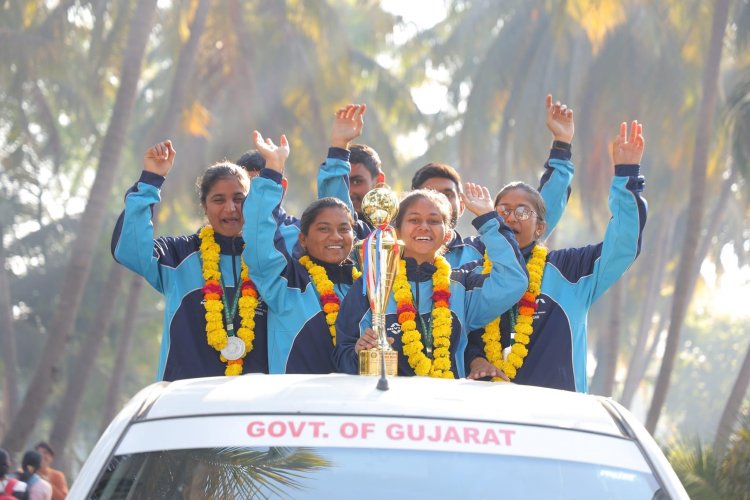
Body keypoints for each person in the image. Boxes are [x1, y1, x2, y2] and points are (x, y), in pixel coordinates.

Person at [465, 121, 647, 391]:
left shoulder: (571, 269)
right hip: (489, 418)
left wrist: (626, 176)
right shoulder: (471, 272)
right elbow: (458, 332)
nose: (511, 217)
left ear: (540, 227)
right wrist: (475, 359)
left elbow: (622, 245)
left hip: (557, 418)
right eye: (502, 210)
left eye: (523, 211)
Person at [333, 184, 528, 378]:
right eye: (414, 219)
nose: (424, 226)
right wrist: (359, 352)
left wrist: (488, 220)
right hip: (388, 406)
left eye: (434, 221)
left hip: (445, 405)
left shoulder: (461, 287)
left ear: (447, 235)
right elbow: (342, 357)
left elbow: (513, 281)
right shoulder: (372, 284)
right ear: (397, 231)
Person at [112, 140, 268, 380]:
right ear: (204, 206)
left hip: (254, 406)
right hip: (185, 405)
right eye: (218, 200)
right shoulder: (178, 255)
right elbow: (130, 249)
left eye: (239, 198)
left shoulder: (269, 259)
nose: (230, 208)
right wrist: (150, 180)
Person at [243, 131, 361, 374]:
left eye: (344, 229)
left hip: (355, 408)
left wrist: (341, 148)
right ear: (303, 240)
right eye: (323, 229)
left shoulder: (367, 288)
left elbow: (339, 204)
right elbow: (257, 235)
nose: (336, 237)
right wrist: (273, 168)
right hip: (295, 408)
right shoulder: (284, 283)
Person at [410, 94, 575, 268]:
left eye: (447, 194)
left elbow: (540, 211)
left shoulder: (489, 252)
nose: (438, 202)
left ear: (462, 206)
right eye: (430, 194)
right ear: (409, 206)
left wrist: (562, 143)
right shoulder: (393, 254)